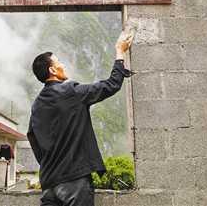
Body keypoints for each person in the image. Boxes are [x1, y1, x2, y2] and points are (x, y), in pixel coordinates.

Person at [27, 31, 134, 206]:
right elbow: (111, 85)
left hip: (48, 182)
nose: (63, 64)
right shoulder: (71, 92)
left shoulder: (36, 105)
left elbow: (32, 138)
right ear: (52, 70)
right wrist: (119, 52)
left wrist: (51, 162)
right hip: (74, 181)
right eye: (59, 61)